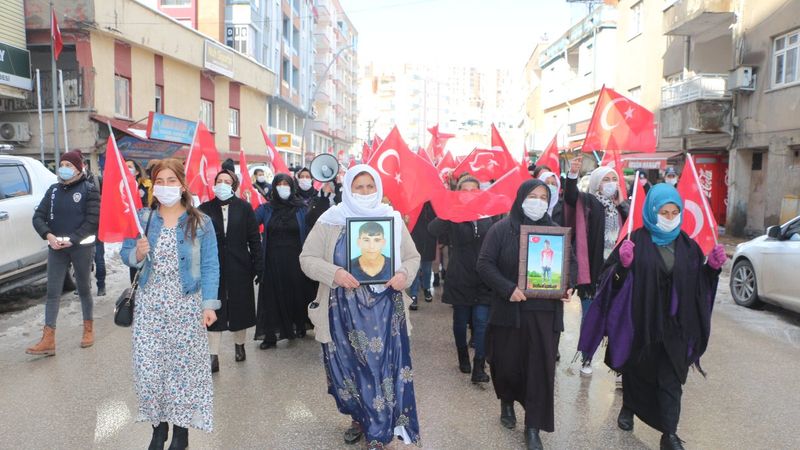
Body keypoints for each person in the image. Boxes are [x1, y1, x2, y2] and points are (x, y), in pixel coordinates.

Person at [577, 184, 726, 450]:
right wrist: (623, 267)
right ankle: (629, 407)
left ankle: (669, 434)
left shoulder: (689, 246)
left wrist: (712, 269)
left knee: (672, 379)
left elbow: (698, 284)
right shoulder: (635, 240)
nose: (670, 218)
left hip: (676, 326)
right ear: (651, 212)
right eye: (664, 213)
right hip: (641, 321)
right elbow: (610, 280)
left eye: (675, 213)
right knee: (637, 372)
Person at [299, 165, 422, 449]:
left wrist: (403, 275)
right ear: (348, 189)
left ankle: (379, 431)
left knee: (380, 370)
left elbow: (412, 257)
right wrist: (335, 273)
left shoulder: (392, 219)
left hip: (386, 311)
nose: (365, 192)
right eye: (359, 187)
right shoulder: (331, 220)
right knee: (347, 369)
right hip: (341, 311)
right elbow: (307, 258)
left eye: (370, 186)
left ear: (378, 188)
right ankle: (359, 418)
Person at [120, 159, 220, 450]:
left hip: (186, 306)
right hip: (150, 306)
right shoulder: (143, 218)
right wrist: (138, 254)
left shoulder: (201, 222)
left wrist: (209, 304)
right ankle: (158, 426)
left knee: (182, 373)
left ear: (183, 185)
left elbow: (210, 265)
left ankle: (180, 432)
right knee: (149, 371)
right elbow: (126, 254)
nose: (165, 187)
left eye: (171, 181)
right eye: (159, 182)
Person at [477, 179, 573, 450]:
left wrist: (568, 285)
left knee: (540, 370)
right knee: (507, 364)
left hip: (545, 314)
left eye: (544, 197)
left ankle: (533, 426)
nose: (538, 202)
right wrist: (508, 288)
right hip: (510, 311)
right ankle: (506, 401)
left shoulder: (556, 232)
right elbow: (484, 264)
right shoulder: (501, 229)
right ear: (521, 198)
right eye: (533, 196)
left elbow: (571, 264)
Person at [28, 150, 100, 356]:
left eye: (69, 165)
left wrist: (73, 239)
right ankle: (48, 339)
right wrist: (48, 235)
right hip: (56, 249)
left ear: (78, 168)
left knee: (83, 289)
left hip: (81, 247)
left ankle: (88, 330)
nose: (64, 168)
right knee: (52, 292)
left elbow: (93, 220)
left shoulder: (89, 190)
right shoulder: (53, 191)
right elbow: (38, 217)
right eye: (62, 165)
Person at [564, 156, 629, 376]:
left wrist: (624, 205)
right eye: (605, 180)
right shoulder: (589, 203)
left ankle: (618, 364)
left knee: (618, 319)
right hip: (592, 274)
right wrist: (573, 174)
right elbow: (571, 197)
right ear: (596, 184)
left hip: (616, 274)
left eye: (614, 179)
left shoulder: (621, 208)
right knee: (590, 318)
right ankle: (587, 358)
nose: (611, 184)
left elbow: (632, 230)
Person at [428, 175, 495, 383]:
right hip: (460, 276)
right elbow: (433, 229)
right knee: (460, 321)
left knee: (482, 322)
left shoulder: (488, 214)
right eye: (464, 190)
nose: (469, 194)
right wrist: (451, 210)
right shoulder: (454, 215)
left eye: (473, 190)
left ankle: (479, 366)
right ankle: (463, 355)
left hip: (484, 278)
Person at [199, 170, 262, 373]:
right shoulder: (204, 209)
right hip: (213, 266)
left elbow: (254, 239)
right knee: (213, 306)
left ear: (233, 186)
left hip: (240, 264)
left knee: (239, 307)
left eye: (227, 181)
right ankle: (213, 355)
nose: (223, 184)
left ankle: (240, 346)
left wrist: (258, 266)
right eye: (219, 181)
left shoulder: (244, 208)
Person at [254, 173, 313, 348]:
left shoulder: (301, 209)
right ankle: (270, 335)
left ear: (292, 187)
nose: (282, 187)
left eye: (285, 184)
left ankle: (299, 325)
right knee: (271, 297)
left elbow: (312, 231)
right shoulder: (266, 209)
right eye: (279, 184)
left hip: (296, 260)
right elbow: (250, 224)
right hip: (272, 260)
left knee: (296, 293)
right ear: (274, 187)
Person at [408, 201, 437, 309]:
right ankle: (413, 294)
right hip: (415, 238)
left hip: (429, 239)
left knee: (427, 268)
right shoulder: (412, 203)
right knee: (415, 268)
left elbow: (436, 221)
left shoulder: (432, 204)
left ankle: (426, 288)